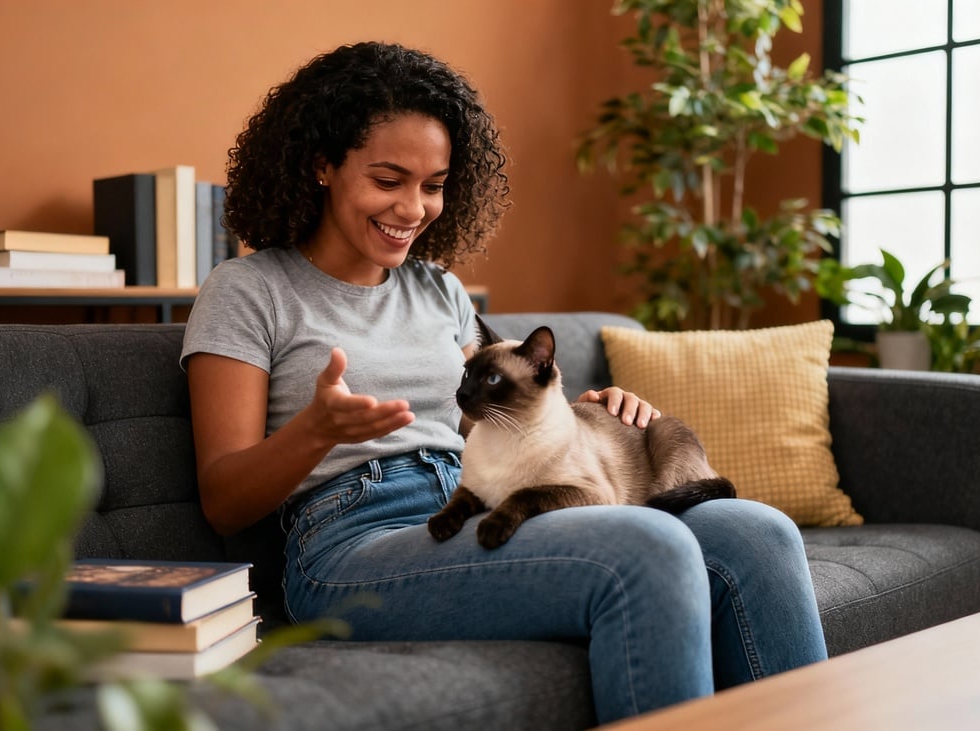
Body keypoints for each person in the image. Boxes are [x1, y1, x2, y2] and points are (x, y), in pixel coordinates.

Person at [180, 41, 827, 725]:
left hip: (479, 505)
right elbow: (224, 499)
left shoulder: (437, 289)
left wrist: (572, 415)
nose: (414, 208)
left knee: (756, 532)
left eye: (434, 185)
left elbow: (485, 414)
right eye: (388, 179)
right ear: (320, 165)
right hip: (350, 545)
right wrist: (314, 433)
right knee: (651, 549)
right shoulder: (247, 291)